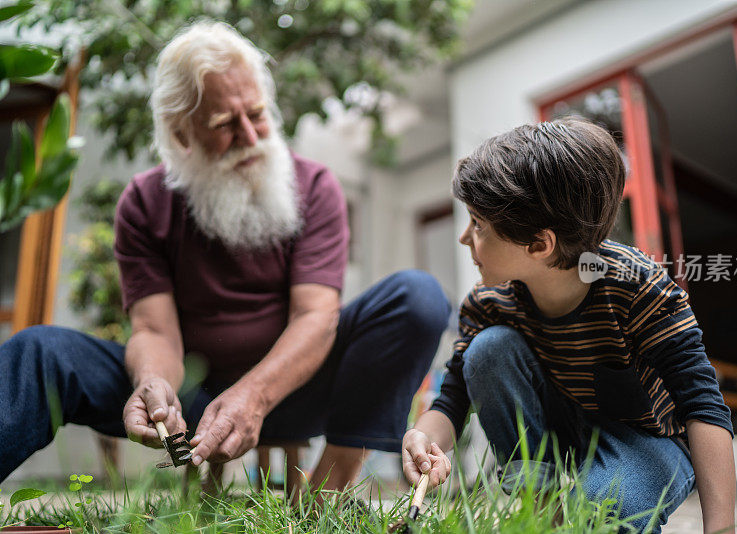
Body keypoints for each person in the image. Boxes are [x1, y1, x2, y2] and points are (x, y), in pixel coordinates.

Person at [0, 21, 451, 491]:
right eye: (223, 125)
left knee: (416, 297)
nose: (250, 135)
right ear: (181, 135)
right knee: (41, 352)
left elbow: (316, 317)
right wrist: (155, 384)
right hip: (196, 399)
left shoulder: (314, 186)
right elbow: (154, 329)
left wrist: (253, 396)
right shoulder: (143, 202)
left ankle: (326, 492)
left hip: (296, 388)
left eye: (256, 114)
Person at [402, 118, 735, 533]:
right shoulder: (489, 303)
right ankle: (539, 505)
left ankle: (580, 511)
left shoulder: (638, 287)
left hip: (648, 439)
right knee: (488, 349)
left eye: (480, 225)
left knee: (594, 518)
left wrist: (720, 528)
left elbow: (702, 404)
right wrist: (421, 437)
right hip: (561, 429)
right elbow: (453, 398)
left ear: (539, 245)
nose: (465, 238)